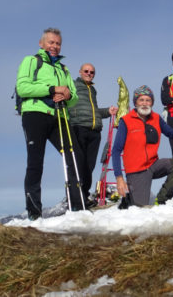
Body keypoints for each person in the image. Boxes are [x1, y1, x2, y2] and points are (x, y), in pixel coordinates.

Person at [15, 27, 82, 220]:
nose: (54, 46)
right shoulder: (31, 61)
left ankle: (76, 206)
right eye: (51, 42)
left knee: (74, 155)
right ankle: (34, 213)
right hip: (34, 114)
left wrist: (67, 95)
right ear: (41, 43)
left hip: (59, 116)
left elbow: (74, 97)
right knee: (35, 162)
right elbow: (23, 87)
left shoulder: (63, 68)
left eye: (58, 43)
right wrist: (52, 88)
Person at [111, 86, 173, 207]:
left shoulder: (156, 118)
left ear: (152, 103)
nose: (144, 103)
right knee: (140, 207)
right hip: (136, 171)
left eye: (148, 100)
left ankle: (162, 198)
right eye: (141, 100)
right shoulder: (126, 121)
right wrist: (119, 178)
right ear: (135, 102)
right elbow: (116, 151)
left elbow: (170, 132)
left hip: (153, 165)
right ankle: (128, 199)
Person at [68, 63, 118, 207]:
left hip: (94, 131)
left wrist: (108, 111)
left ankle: (83, 196)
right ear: (80, 72)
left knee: (89, 166)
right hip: (79, 128)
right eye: (86, 71)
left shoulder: (93, 90)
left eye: (92, 72)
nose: (89, 73)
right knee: (78, 164)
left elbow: (94, 111)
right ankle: (74, 198)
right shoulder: (73, 85)